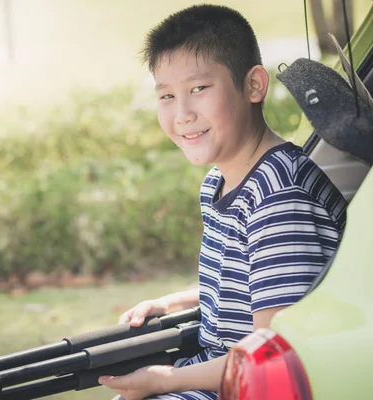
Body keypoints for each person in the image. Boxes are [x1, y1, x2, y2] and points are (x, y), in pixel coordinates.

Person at [98, 4, 347, 400]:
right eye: (166, 95)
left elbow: (274, 354)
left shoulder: (278, 199)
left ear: (253, 86)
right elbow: (253, 285)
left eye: (198, 89)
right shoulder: (220, 182)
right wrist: (174, 300)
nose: (182, 114)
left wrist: (164, 381)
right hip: (220, 369)